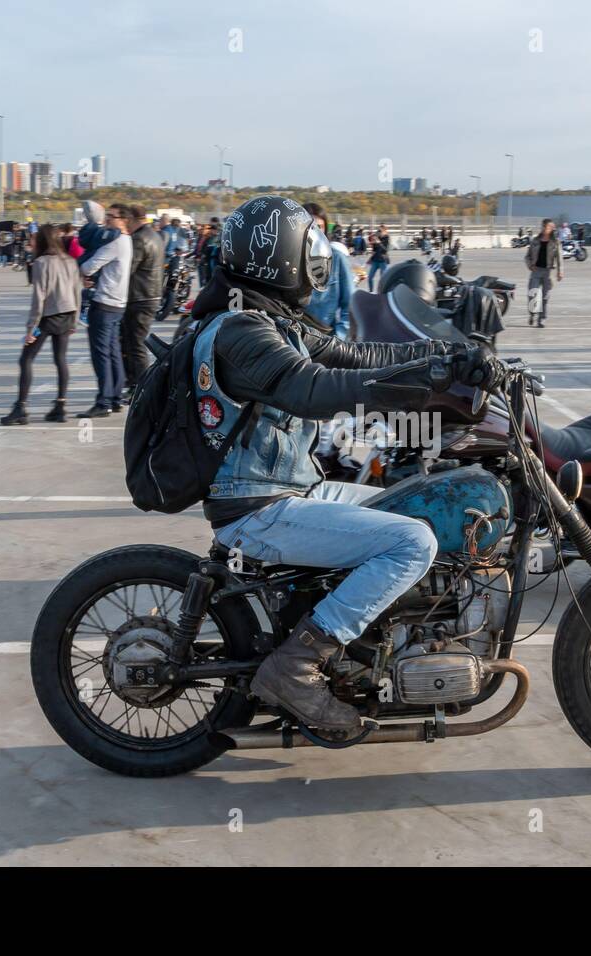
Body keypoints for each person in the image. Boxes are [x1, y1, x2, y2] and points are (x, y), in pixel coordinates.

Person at [191, 196, 503, 729]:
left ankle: (372, 649)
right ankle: (297, 665)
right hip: (260, 506)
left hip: (293, 488)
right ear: (281, 256)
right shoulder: (241, 332)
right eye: (306, 248)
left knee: (419, 512)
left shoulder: (269, 319)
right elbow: (313, 389)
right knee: (413, 542)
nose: (316, 261)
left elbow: (356, 355)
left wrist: (448, 358)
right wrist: (421, 386)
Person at [0, 225, 82, 426]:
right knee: (60, 359)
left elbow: (39, 297)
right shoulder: (70, 261)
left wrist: (30, 328)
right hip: (68, 312)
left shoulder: (41, 262)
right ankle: (61, 406)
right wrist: (75, 318)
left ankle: (21, 407)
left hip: (47, 316)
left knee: (26, 359)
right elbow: (78, 291)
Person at [78, 203, 133, 418]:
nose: (107, 219)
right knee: (113, 352)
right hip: (118, 303)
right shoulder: (126, 240)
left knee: (101, 354)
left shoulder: (115, 242)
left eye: (112, 216)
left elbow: (88, 267)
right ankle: (116, 397)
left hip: (104, 303)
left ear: (123, 219)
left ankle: (103, 401)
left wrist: (84, 271)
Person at [121, 203, 164, 391]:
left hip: (140, 296)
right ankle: (134, 382)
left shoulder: (138, 239)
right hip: (150, 295)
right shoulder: (155, 235)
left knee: (135, 344)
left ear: (132, 219)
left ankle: (141, 385)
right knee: (132, 342)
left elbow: (128, 269)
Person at [301, 201, 354, 338]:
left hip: (325, 337)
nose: (315, 231)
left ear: (325, 230)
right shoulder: (288, 259)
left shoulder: (337, 260)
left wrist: (339, 337)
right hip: (294, 337)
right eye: (310, 226)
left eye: (319, 227)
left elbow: (350, 306)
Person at [524, 218, 563, 328]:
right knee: (533, 295)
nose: (551, 229)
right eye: (549, 227)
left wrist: (560, 272)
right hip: (536, 271)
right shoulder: (535, 241)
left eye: (552, 228)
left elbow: (560, 258)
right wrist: (530, 265)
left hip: (547, 272)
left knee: (545, 297)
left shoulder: (555, 242)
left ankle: (541, 319)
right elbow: (527, 256)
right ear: (543, 227)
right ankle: (533, 314)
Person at [366, 225, 390, 290]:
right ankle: (371, 291)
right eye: (378, 230)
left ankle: (382, 292)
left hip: (383, 260)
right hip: (375, 260)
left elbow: (385, 250)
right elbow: (374, 250)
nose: (378, 232)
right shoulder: (376, 238)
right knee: (370, 277)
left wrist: (379, 243)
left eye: (380, 231)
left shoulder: (386, 238)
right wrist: (370, 258)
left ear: (385, 231)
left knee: (383, 278)